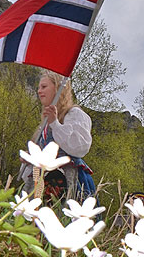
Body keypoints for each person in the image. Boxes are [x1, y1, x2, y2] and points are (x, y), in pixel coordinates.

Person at [20, 72, 95, 203]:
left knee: (63, 215)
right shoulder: (44, 124)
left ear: (58, 88)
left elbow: (79, 147)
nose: (39, 91)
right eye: (39, 87)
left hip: (66, 178)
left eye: (44, 87)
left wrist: (55, 124)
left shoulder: (74, 114)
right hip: (42, 179)